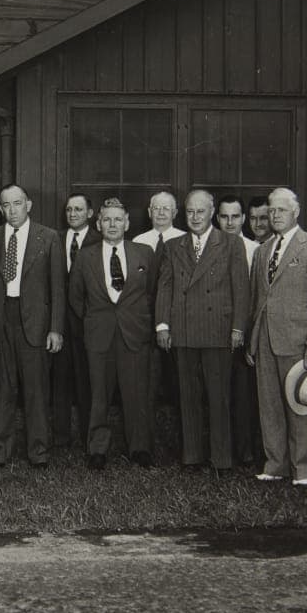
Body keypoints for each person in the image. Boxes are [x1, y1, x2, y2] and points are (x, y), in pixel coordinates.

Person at [156, 190, 250, 473]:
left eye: (201, 212)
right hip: (183, 330)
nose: (195, 218)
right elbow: (165, 287)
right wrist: (162, 325)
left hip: (218, 330)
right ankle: (192, 455)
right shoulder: (173, 246)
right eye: (190, 212)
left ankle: (221, 458)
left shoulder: (231, 243)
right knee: (187, 395)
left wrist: (238, 327)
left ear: (212, 214)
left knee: (218, 396)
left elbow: (241, 289)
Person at [247, 188, 307, 486]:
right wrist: (253, 340)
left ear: (295, 212)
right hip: (265, 341)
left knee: (299, 404)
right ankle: (275, 465)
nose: (275, 215)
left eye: (281, 210)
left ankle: (302, 470)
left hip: (298, 343)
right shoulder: (262, 251)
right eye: (271, 210)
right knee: (269, 406)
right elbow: (258, 300)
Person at [69, 197, 158, 470]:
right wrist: (95, 320)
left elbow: (151, 292)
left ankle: (140, 448)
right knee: (99, 394)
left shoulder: (144, 253)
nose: (112, 224)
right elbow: (75, 297)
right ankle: (97, 449)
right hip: (99, 334)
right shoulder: (85, 256)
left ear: (127, 223)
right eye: (106, 219)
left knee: (136, 393)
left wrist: (138, 319)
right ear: (98, 223)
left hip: (134, 333)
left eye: (118, 219)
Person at [0, 184, 64, 469]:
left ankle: (38, 452)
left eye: (17, 203)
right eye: (5, 205)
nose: (11, 210)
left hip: (36, 323)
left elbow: (58, 289)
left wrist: (55, 328)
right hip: (1, 320)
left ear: (28, 204)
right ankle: (0, 452)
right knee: (2, 388)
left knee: (35, 390)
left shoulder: (49, 237)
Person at [133, 190, 186, 445]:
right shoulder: (139, 242)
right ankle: (147, 442)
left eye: (167, 209)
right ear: (149, 212)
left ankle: (183, 441)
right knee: (147, 385)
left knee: (182, 385)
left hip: (179, 323)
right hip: (145, 324)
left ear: (175, 213)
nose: (162, 213)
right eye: (157, 208)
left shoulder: (185, 241)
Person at [216, 194, 264, 467]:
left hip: (243, 332)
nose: (230, 222)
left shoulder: (253, 250)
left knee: (244, 394)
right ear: (217, 218)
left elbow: (257, 296)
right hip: (214, 332)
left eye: (235, 216)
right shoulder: (209, 246)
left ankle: (245, 450)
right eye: (224, 216)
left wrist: (247, 333)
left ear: (243, 219)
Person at [52, 193, 102, 448]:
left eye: (79, 209)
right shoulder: (54, 239)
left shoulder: (100, 240)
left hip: (88, 321)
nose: (73, 214)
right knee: (59, 379)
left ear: (90, 214)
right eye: (69, 209)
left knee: (87, 381)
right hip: (60, 322)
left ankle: (88, 435)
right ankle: (60, 436)